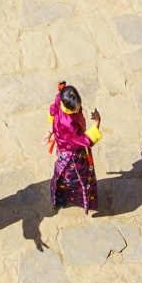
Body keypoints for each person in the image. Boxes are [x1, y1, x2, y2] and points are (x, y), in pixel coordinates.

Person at [46, 83, 100, 214]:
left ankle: (61, 194)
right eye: (75, 109)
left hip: (63, 147)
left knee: (65, 176)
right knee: (73, 178)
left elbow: (53, 112)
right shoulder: (69, 124)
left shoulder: (60, 98)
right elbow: (86, 141)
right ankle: (61, 196)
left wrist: (51, 131)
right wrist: (97, 122)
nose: (78, 109)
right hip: (72, 156)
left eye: (79, 106)